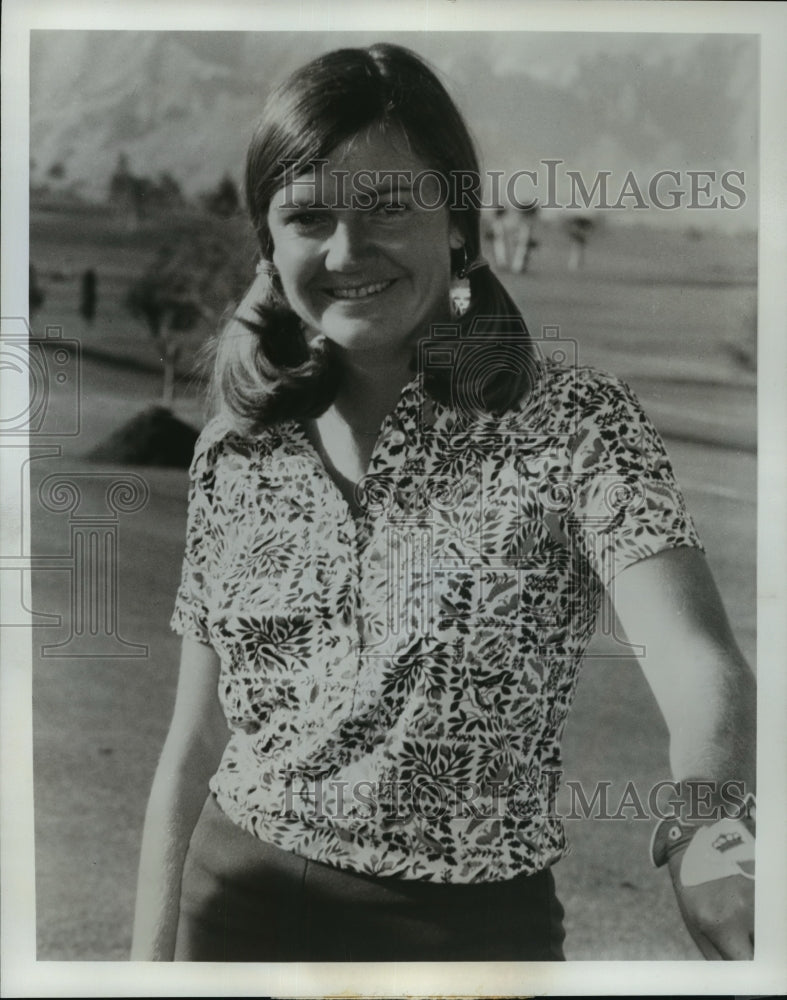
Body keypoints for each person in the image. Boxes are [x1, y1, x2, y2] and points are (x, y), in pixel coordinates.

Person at [131, 43, 756, 963]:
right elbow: (193, 743)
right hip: (228, 921)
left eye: (388, 206)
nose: (348, 252)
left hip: (465, 942)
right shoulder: (237, 449)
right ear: (270, 244)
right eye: (307, 217)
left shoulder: (575, 425)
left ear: (458, 224)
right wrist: (146, 971)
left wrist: (709, 844)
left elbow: (700, 666)